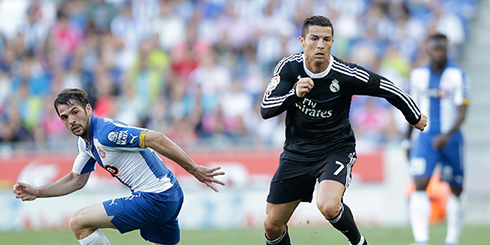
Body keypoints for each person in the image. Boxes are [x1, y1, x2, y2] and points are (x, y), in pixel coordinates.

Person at [260, 15, 427, 245]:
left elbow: (386, 87)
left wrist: (413, 115)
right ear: (302, 41)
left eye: (326, 39)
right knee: (272, 225)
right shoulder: (289, 68)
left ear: (332, 42)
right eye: (314, 39)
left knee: (328, 205)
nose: (320, 45)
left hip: (335, 149)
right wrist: (293, 94)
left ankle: (359, 243)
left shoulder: (345, 73)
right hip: (297, 153)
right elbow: (266, 109)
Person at [13, 88, 225, 245]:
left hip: (155, 197)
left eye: (75, 112)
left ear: (88, 109)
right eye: (65, 117)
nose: (71, 121)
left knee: (78, 222)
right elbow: (76, 179)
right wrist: (38, 192)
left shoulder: (107, 134)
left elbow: (157, 138)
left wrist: (194, 169)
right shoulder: (85, 142)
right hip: (170, 194)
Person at [404, 33, 469, 245]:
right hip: (425, 137)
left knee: (455, 188)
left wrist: (447, 135)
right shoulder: (417, 75)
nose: (438, 52)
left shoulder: (457, 74)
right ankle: (421, 240)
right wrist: (407, 139)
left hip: (451, 138)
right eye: (435, 48)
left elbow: (462, 111)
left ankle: (452, 239)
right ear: (428, 50)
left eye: (442, 48)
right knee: (420, 183)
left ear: (447, 50)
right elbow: (410, 110)